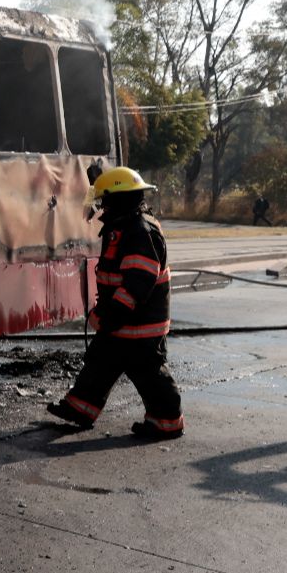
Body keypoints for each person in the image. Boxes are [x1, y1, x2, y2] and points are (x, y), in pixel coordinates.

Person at [46, 167, 184, 440]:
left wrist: (111, 314)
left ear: (119, 200)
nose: (102, 208)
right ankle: (80, 408)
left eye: (105, 201)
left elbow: (137, 282)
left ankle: (167, 422)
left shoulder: (139, 232)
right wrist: (107, 313)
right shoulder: (123, 228)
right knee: (100, 362)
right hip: (122, 320)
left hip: (140, 325)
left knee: (148, 372)